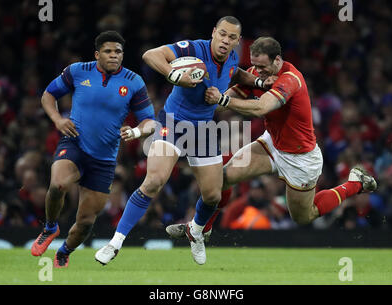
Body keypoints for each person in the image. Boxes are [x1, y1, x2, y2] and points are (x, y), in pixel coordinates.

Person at [166, 36, 377, 243]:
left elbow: (261, 107)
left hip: (300, 158)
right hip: (271, 145)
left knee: (304, 216)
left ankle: (355, 183)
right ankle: (201, 229)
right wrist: (198, 86)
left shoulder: (291, 79)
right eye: (254, 66)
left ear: (277, 60)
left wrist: (222, 98)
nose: (258, 71)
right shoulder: (256, 74)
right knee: (223, 179)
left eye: (263, 66)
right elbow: (221, 103)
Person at [95, 16, 268, 266]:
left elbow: (236, 73)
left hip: (204, 130)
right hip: (173, 123)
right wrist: (174, 75)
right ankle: (115, 243)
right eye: (222, 34)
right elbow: (150, 55)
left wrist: (259, 83)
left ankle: (195, 232)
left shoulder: (231, 57)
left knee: (212, 196)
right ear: (213, 33)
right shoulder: (194, 48)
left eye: (231, 37)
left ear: (237, 41)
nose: (225, 40)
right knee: (154, 181)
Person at [30, 31, 156, 268]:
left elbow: (150, 122)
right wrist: (57, 119)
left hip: (104, 160)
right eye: (108, 51)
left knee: (86, 221)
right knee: (58, 184)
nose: (114, 55)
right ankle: (50, 228)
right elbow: (48, 95)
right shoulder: (77, 71)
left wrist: (136, 132)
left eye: (118, 52)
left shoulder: (133, 81)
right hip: (74, 142)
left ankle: (65, 252)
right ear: (97, 54)